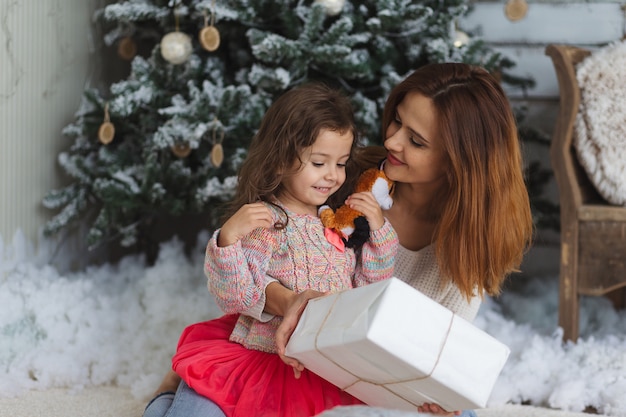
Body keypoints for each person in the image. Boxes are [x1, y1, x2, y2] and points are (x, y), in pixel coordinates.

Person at [145, 62, 534, 417]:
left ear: (458, 162)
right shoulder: (344, 175)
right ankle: (177, 388)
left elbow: (431, 353)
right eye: (396, 122)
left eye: (417, 141)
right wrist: (288, 300)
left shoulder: (469, 246)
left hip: (356, 367)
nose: (393, 143)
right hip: (272, 337)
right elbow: (260, 261)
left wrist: (432, 394)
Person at [143, 82, 399, 417]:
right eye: (319, 163)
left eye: (341, 163)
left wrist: (379, 230)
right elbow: (236, 295)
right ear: (280, 161)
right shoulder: (267, 222)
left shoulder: (335, 223)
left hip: (319, 365)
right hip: (259, 356)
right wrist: (229, 238)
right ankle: (163, 400)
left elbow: (368, 292)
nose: (333, 176)